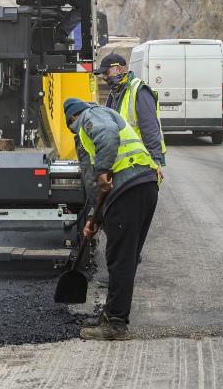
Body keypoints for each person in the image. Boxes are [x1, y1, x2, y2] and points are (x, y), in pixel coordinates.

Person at [63, 98, 160, 341]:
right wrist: (93, 218)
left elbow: (105, 136)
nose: (74, 132)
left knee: (120, 259)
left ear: (72, 118)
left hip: (127, 189)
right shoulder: (101, 115)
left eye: (70, 126)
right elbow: (93, 183)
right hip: (144, 186)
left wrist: (104, 170)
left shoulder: (90, 117)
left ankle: (116, 324)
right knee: (125, 258)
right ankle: (110, 315)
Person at [95, 53, 166, 174]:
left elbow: (150, 127)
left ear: (120, 69)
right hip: (124, 163)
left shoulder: (139, 90)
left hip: (141, 163)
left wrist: (155, 160)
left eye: (107, 73)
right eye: (103, 75)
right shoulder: (115, 93)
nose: (105, 78)